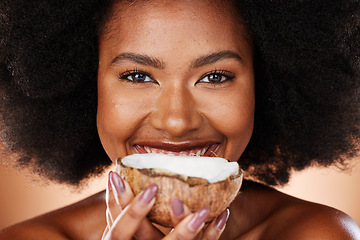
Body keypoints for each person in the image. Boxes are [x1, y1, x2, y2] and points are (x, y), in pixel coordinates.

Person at [0, 0, 360, 239]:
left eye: (215, 76)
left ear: (264, 86)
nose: (176, 121)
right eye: (138, 76)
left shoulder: (317, 234)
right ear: (84, 82)